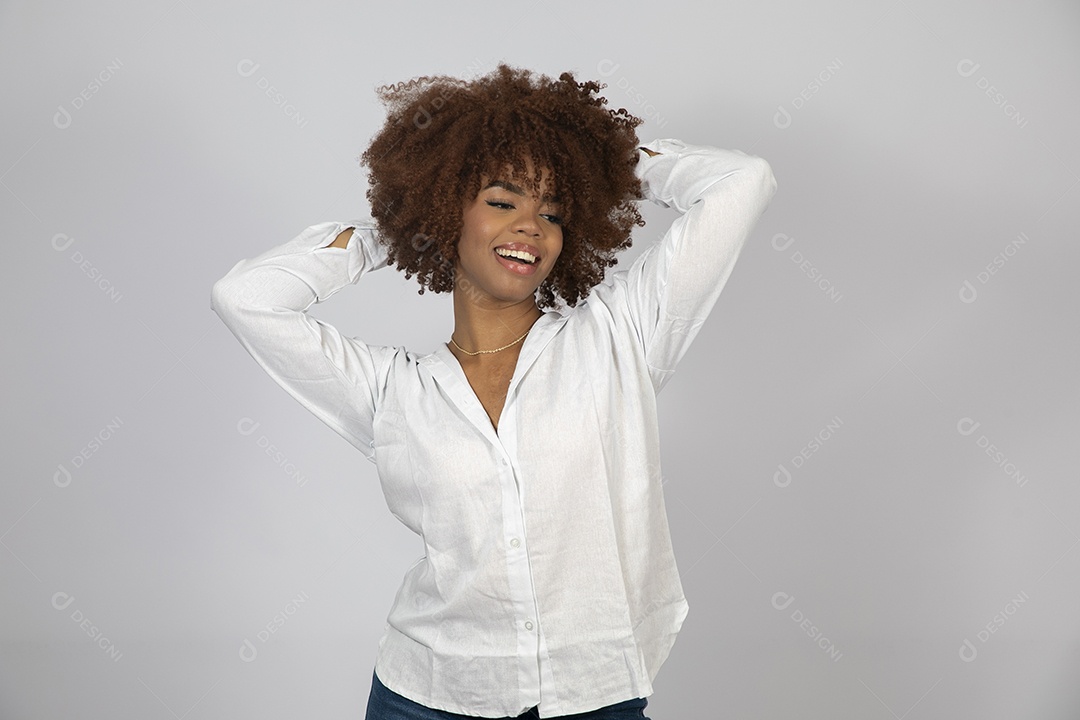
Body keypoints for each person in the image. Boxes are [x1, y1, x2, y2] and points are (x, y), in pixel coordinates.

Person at [211, 62, 777, 719]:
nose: (531, 226)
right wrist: (384, 234)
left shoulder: (620, 340)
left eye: (554, 211)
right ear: (450, 209)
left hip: (593, 695)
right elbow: (246, 299)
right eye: (503, 202)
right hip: (427, 696)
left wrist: (607, 159)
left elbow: (743, 183)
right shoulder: (391, 391)